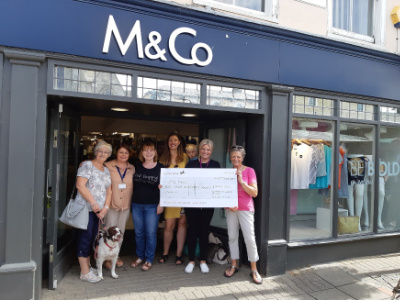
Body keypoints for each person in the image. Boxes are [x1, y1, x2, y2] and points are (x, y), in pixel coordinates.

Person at [224, 145, 262, 284]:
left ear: (242, 157)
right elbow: (221, 194)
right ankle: (234, 264)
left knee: (249, 238)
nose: (236, 159)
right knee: (232, 236)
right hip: (231, 209)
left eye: (238, 156)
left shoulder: (249, 171)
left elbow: (254, 192)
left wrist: (241, 181)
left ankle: (254, 268)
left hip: (245, 208)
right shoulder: (227, 173)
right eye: (233, 156)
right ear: (230, 157)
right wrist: (228, 206)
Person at [75, 141, 112, 283]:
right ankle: (84, 272)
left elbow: (109, 191)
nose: (103, 154)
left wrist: (105, 208)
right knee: (84, 238)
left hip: (99, 212)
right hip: (86, 209)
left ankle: (88, 267)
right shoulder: (87, 165)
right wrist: (94, 204)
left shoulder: (106, 169)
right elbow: (80, 185)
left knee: (91, 238)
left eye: (106, 152)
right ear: (95, 151)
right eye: (100, 151)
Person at [184, 139, 220, 273]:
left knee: (204, 231)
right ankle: (191, 261)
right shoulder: (191, 164)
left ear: (211, 151)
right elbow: (183, 182)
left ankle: (203, 261)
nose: (205, 152)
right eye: (203, 149)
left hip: (208, 203)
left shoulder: (216, 164)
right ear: (200, 150)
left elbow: (219, 182)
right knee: (192, 231)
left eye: (208, 150)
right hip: (191, 204)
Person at [130, 140, 164, 271]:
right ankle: (140, 256)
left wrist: (161, 204)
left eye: (151, 150)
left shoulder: (161, 168)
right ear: (141, 152)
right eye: (145, 150)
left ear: (155, 152)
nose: (148, 152)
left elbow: (166, 188)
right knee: (139, 233)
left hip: (152, 205)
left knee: (150, 233)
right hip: (137, 204)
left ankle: (149, 259)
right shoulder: (136, 166)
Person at [102, 144, 135, 269]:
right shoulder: (108, 166)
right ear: (116, 153)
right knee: (108, 231)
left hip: (125, 206)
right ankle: (105, 258)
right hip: (111, 205)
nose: (123, 155)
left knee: (120, 232)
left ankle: (116, 255)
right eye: (121, 152)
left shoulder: (132, 168)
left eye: (126, 153)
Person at [158, 133, 189, 265]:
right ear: (168, 142)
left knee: (182, 224)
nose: (173, 142)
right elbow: (159, 176)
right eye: (170, 140)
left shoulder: (186, 158)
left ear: (179, 142)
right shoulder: (162, 159)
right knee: (169, 226)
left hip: (183, 197)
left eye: (175, 140)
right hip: (169, 197)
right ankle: (165, 253)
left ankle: (179, 255)